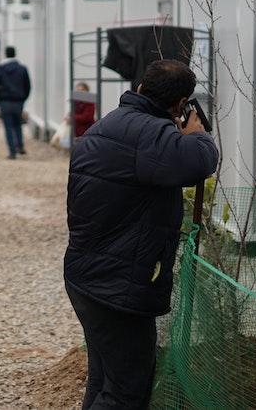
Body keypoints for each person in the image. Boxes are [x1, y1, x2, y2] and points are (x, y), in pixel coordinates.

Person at [64, 60, 218, 409]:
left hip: (85, 275)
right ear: (181, 104)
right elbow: (200, 161)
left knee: (104, 380)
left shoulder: (110, 125)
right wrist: (197, 133)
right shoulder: (151, 135)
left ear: (140, 89)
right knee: (125, 392)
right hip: (118, 286)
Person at [0, 46, 31, 159]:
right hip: (18, 101)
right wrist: (23, 98)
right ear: (15, 54)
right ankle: (20, 145)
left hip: (4, 100)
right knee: (18, 124)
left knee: (8, 126)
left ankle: (12, 152)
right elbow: (28, 86)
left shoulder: (0, 68)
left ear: (6, 54)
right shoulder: (22, 68)